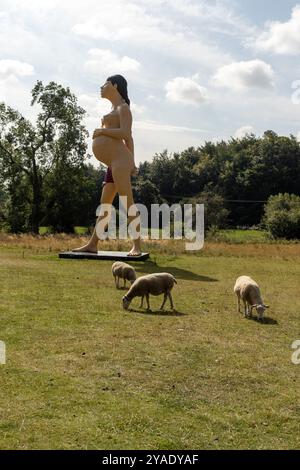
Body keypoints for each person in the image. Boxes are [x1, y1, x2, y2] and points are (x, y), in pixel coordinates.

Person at [73, 74, 142, 256]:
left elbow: (127, 134)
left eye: (105, 83)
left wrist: (103, 131)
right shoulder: (114, 108)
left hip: (120, 161)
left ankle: (137, 246)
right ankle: (92, 244)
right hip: (113, 163)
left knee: (127, 201)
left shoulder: (123, 108)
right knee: (104, 204)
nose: (101, 87)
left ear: (115, 85)